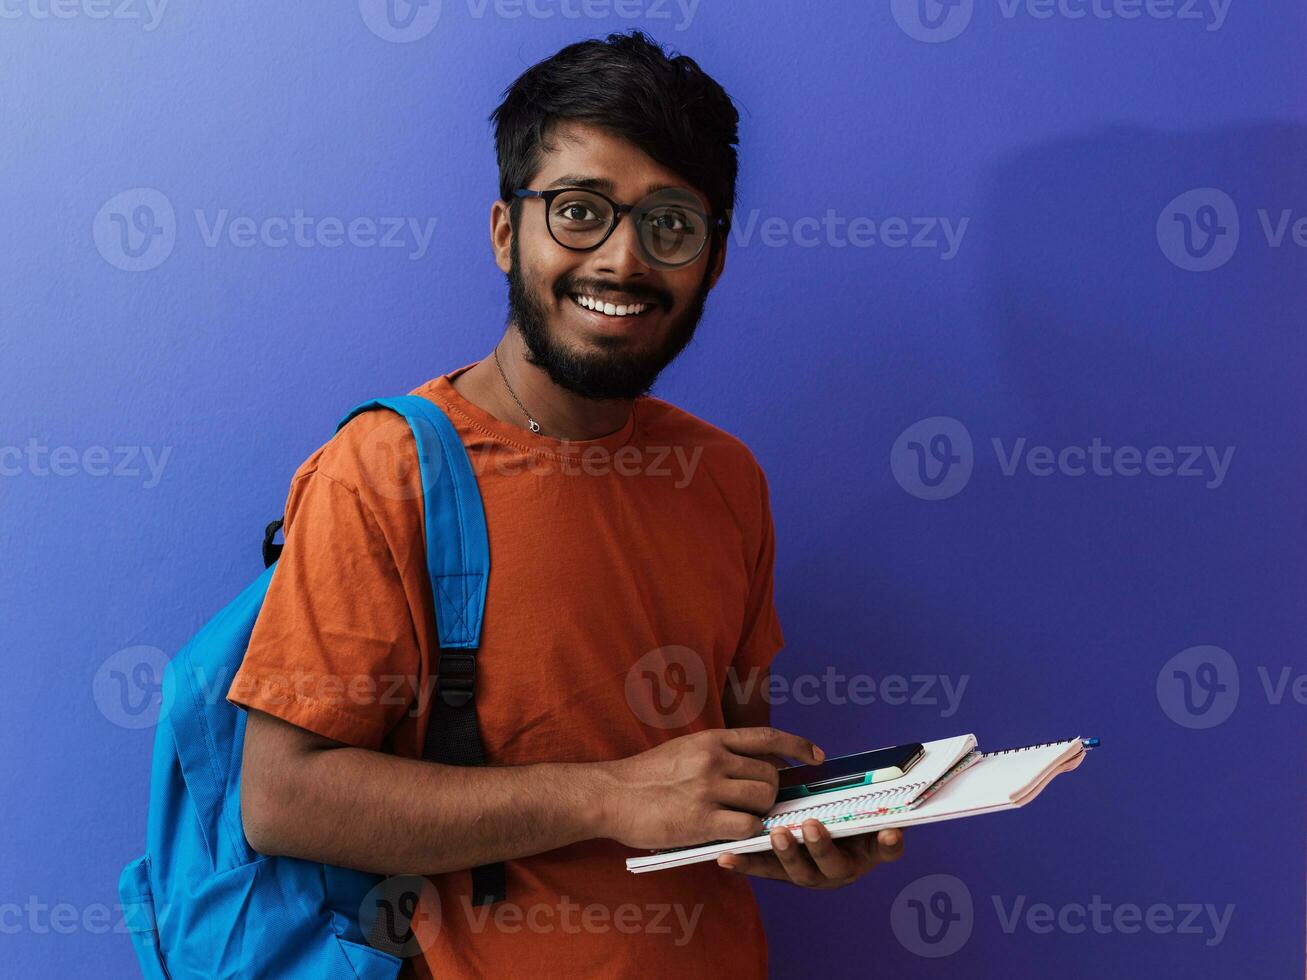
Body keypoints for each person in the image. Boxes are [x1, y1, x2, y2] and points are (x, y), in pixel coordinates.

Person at [228, 29, 903, 979]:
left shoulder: (725, 478)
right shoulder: (383, 469)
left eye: (670, 224)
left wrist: (790, 834)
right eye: (580, 211)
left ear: (710, 260)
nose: (623, 261)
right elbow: (282, 800)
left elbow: (713, 774)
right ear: (507, 233)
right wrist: (606, 797)